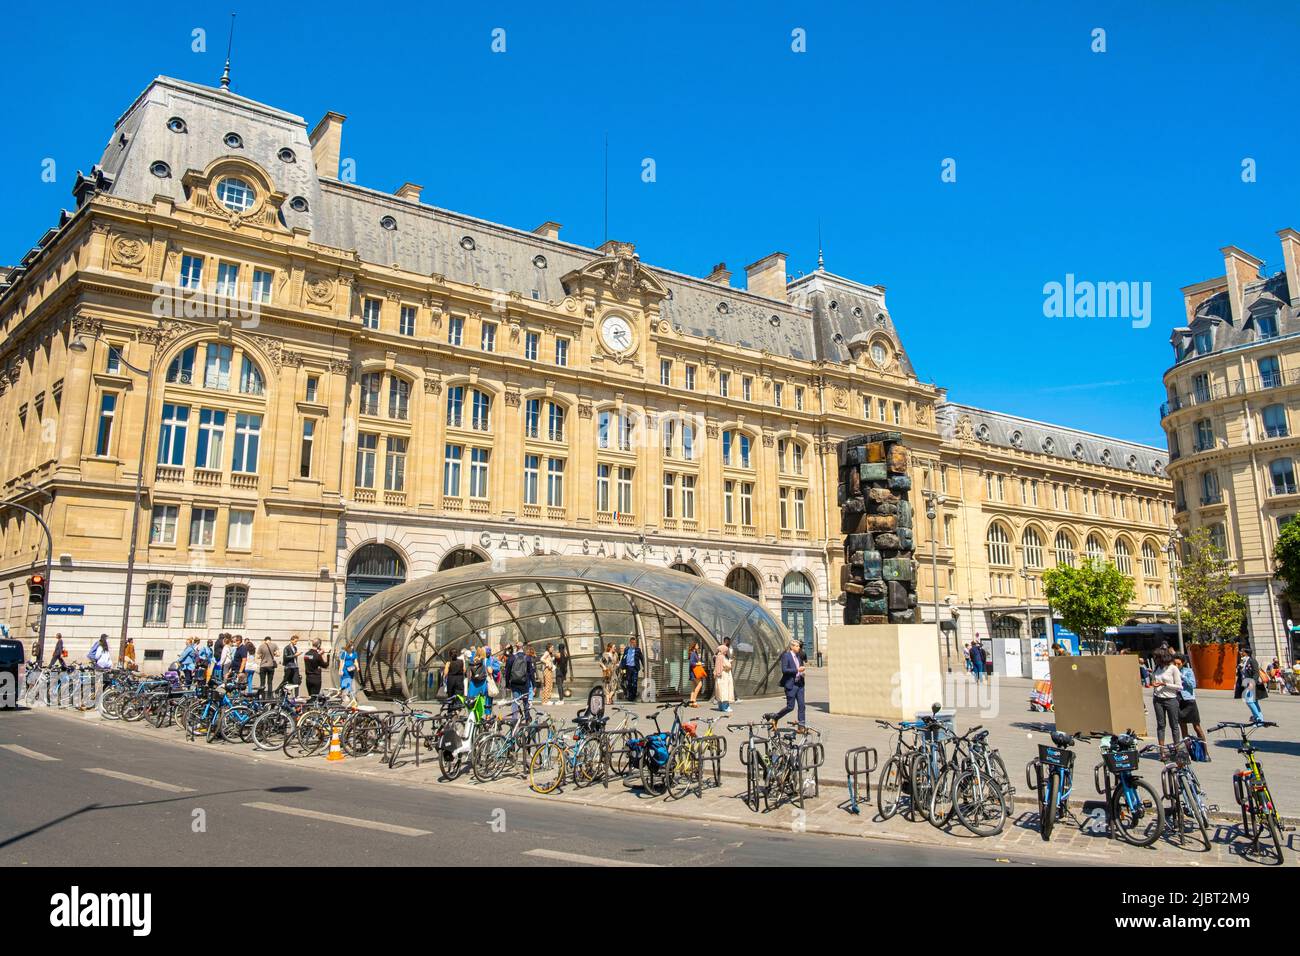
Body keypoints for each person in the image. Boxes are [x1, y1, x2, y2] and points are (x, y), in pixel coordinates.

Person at [769, 638, 807, 727]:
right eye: (797, 646)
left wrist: (802, 673)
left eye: (799, 646)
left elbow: (800, 667)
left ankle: (801, 726)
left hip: (800, 684)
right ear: (792, 647)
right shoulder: (786, 656)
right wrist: (797, 670)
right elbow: (784, 670)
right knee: (790, 707)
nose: (799, 648)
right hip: (791, 685)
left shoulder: (799, 656)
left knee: (802, 706)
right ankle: (776, 717)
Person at [1150, 646, 1182, 748]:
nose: (1155, 659)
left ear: (1163, 657)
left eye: (1157, 657)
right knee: (1160, 725)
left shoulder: (1173, 668)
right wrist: (1154, 684)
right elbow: (1155, 681)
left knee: (1174, 725)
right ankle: (1162, 750)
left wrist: (1165, 685)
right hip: (1158, 699)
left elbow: (1179, 686)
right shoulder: (1157, 668)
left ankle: (1177, 748)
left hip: (1171, 699)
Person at [1173, 654, 1206, 744]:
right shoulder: (1171, 672)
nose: (1176, 666)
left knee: (1197, 726)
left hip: (1189, 701)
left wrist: (1182, 676)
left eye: (1178, 664)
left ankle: (1205, 751)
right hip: (1178, 701)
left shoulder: (1188, 671)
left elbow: (1193, 685)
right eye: (1174, 663)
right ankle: (1188, 751)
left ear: (1183, 663)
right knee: (1183, 727)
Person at [1235, 645, 1268, 723]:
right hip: (1245, 684)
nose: (1240, 653)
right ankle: (1259, 719)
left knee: (1249, 701)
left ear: (1246, 653)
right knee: (1254, 702)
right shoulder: (1242, 661)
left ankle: (1258, 718)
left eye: (1242, 651)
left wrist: (1252, 682)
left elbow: (1256, 673)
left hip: (1251, 684)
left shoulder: (1252, 661)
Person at [504, 643, 534, 722]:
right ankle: (527, 718)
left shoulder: (511, 658)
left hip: (515, 683)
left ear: (516, 648)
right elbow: (531, 672)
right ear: (522, 647)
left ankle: (514, 718)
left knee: (515, 700)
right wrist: (533, 684)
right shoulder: (527, 658)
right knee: (525, 701)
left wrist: (507, 684)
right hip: (525, 683)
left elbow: (507, 672)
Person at [714, 637, 735, 714]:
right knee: (725, 691)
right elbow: (728, 666)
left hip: (718, 677)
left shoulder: (717, 657)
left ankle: (720, 707)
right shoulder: (722, 657)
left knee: (720, 692)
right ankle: (726, 707)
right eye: (726, 651)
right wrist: (730, 661)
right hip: (724, 676)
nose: (726, 652)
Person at [621, 637, 644, 701]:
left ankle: (633, 695)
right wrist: (622, 667)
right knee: (629, 682)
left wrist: (644, 666)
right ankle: (630, 695)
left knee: (634, 682)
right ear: (630, 642)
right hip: (628, 668)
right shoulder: (626, 649)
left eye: (634, 642)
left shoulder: (638, 650)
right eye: (632, 642)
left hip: (634, 668)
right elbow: (623, 658)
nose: (633, 644)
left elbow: (642, 659)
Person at [687, 642, 704, 707]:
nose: (698, 646)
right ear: (694, 646)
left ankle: (691, 702)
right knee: (700, 684)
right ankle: (694, 701)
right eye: (697, 645)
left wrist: (699, 663)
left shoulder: (694, 653)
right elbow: (691, 663)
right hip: (694, 673)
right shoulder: (693, 653)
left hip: (692, 672)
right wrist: (698, 664)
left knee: (693, 687)